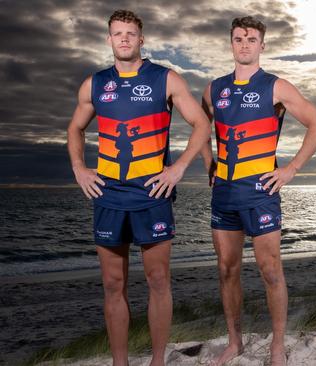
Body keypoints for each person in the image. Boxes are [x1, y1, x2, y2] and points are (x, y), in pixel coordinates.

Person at [66, 9, 211, 366]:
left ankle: (158, 360)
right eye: (118, 33)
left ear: (141, 39)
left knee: (158, 280)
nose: (125, 39)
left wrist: (177, 169)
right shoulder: (94, 84)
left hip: (152, 194)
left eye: (131, 33)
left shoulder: (165, 79)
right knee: (113, 285)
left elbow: (202, 123)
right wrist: (80, 168)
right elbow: (75, 129)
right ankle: (120, 362)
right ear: (109, 39)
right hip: (109, 195)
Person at [201, 16, 316, 365]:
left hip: (260, 192)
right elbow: (201, 126)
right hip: (224, 193)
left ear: (262, 45)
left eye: (252, 39)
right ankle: (234, 341)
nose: (245, 44)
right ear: (231, 43)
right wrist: (207, 160)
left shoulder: (276, 86)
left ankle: (276, 344)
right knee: (226, 269)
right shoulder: (213, 89)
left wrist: (290, 169)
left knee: (270, 270)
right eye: (239, 38)